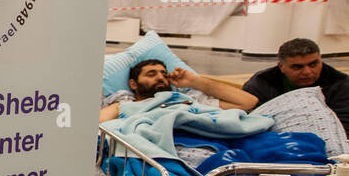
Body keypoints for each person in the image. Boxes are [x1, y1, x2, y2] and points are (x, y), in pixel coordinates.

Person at [242, 38, 349, 139]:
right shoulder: (260, 82)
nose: (307, 72)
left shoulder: (345, 85)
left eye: (313, 64)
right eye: (297, 67)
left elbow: (348, 130)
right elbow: (248, 122)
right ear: (281, 66)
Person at [99, 58, 258, 123]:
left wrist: (195, 81)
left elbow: (248, 102)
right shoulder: (126, 103)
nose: (160, 77)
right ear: (133, 84)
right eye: (151, 74)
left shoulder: (187, 99)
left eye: (163, 73)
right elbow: (100, 123)